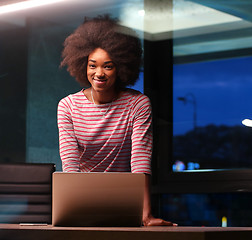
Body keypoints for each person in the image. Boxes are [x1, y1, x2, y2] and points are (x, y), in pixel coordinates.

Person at [57, 15, 175, 227]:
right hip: (82, 202)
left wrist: (145, 214)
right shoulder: (68, 106)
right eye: (93, 65)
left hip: (125, 204)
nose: (99, 73)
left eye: (108, 66)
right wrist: (72, 210)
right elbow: (70, 166)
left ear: (121, 67)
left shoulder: (137, 104)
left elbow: (140, 163)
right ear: (83, 65)